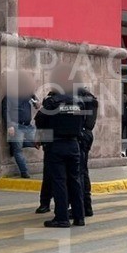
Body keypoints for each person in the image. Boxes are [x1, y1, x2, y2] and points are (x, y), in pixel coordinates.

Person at [35, 77, 86, 228]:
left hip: (56, 145)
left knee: (59, 182)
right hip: (74, 144)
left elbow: (40, 120)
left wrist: (40, 138)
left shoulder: (52, 102)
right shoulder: (79, 102)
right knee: (74, 181)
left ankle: (62, 218)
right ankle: (79, 217)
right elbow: (82, 122)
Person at [2, 75, 38, 178]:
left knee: (39, 141)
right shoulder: (8, 97)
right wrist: (9, 125)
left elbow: (37, 104)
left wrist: (36, 101)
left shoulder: (28, 95)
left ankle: (14, 144)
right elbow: (6, 111)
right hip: (15, 125)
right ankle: (24, 172)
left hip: (28, 126)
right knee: (18, 150)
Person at [36, 89, 60, 215]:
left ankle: (46, 204)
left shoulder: (52, 101)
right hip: (58, 141)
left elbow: (40, 119)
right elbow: (41, 119)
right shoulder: (75, 100)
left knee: (50, 175)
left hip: (54, 141)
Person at [76, 84, 99, 218]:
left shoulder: (80, 100)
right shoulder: (90, 99)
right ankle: (87, 206)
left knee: (79, 174)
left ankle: (82, 208)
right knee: (83, 172)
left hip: (80, 136)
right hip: (87, 135)